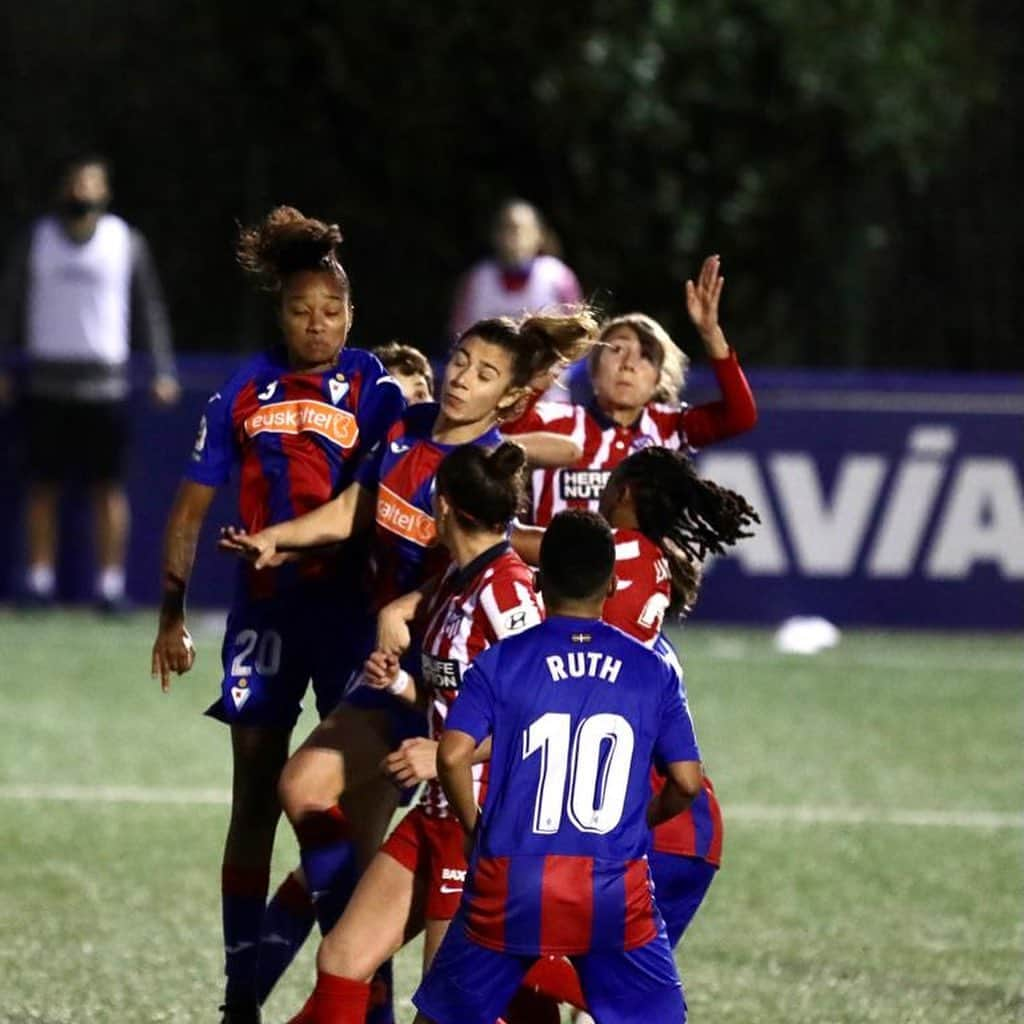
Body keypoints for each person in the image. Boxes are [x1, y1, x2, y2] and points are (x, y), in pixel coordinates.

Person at [218, 309, 598, 1011]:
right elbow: (354, 509)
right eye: (461, 360)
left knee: (303, 787)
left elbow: (486, 561)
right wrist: (281, 538)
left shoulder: (484, 470)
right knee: (354, 871)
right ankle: (350, 999)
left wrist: (410, 604)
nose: (462, 378)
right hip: (389, 671)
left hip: (437, 693)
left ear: (507, 400)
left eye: (485, 375)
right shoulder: (405, 429)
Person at [149, 205, 405, 1024]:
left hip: (350, 613)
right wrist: (171, 615)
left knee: (350, 801)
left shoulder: (376, 386)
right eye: (301, 311)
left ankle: (361, 985)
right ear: (280, 315)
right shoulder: (241, 389)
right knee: (255, 796)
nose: (317, 324)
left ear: (353, 315)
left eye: (331, 311)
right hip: (263, 614)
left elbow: (404, 482)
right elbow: (188, 512)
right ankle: (239, 997)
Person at [410, 510, 703, 1024]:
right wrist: (643, 822)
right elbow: (687, 782)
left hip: (509, 878)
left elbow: (452, 755)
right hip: (612, 887)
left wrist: (475, 829)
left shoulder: (501, 661)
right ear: (612, 584)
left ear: (540, 582)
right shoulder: (652, 669)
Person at [286, 441, 544, 1023]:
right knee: (343, 958)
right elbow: (453, 694)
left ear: (442, 503)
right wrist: (401, 685)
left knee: (446, 1009)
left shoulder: (507, 590)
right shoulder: (456, 580)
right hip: (433, 815)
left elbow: (542, 716)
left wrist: (446, 756)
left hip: (480, 826)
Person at [514, 448, 759, 1021]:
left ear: (624, 493)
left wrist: (474, 513)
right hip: (672, 831)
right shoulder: (647, 590)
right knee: (587, 988)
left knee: (519, 957)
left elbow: (525, 546)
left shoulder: (618, 554)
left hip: (653, 829)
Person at [0, 153, 179, 611]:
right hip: (47, 385)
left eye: (91, 185)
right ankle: (38, 583)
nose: (82, 194)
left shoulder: (125, 242)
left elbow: (148, 308)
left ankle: (110, 587)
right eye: (76, 185)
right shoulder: (37, 240)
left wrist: (162, 369)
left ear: (105, 192)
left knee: (109, 489)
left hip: (106, 388)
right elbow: (10, 305)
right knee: (42, 488)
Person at [516, 254, 757, 526]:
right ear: (593, 369)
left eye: (645, 356)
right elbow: (504, 430)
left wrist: (711, 333)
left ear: (658, 379)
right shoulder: (555, 421)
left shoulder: (669, 429)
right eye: (617, 349)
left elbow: (741, 415)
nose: (629, 364)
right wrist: (538, 374)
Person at [449, 199, 583, 338]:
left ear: (539, 235)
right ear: (494, 235)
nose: (512, 237)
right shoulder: (475, 280)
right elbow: (457, 336)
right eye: (504, 228)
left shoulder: (559, 277)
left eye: (519, 229)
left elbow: (575, 338)